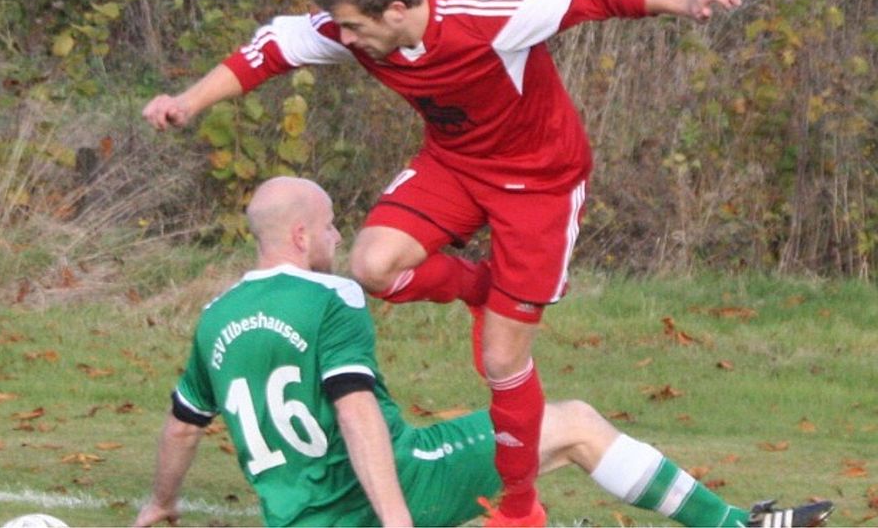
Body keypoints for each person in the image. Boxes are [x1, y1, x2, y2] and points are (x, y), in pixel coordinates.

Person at [142, 0, 749, 524]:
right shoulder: (353, 27)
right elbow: (273, 48)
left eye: (354, 27)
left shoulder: (489, 13)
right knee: (371, 265)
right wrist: (190, 102)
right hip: (455, 167)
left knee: (502, 360)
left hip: (540, 184)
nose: (344, 38)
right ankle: (482, 289)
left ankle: (517, 510)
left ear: (398, 10)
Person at [134, 176, 834, 528]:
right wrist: (397, 520)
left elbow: (180, 426)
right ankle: (738, 526)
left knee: (562, 430)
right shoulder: (331, 299)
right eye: (330, 226)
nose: (337, 237)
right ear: (299, 236)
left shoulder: (212, 317)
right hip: (384, 492)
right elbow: (356, 416)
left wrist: (160, 506)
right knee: (575, 425)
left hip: (296, 516)